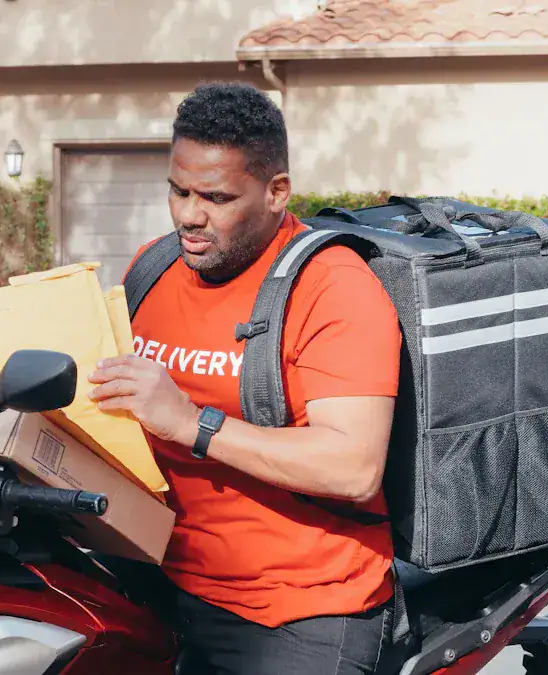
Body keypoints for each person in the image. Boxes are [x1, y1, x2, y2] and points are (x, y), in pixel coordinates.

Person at [87, 81, 403, 675]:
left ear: (276, 191)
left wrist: (190, 423)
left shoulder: (334, 287)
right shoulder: (153, 267)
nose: (189, 215)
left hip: (295, 610)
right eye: (177, 190)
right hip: (159, 579)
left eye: (216, 196)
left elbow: (353, 467)